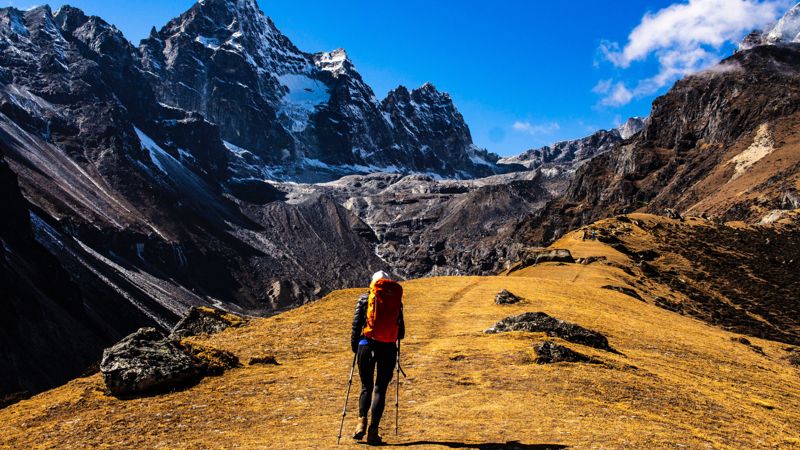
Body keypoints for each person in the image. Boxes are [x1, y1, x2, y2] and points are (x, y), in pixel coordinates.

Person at [350, 270, 405, 445]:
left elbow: (356, 326)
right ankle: (373, 432)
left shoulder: (364, 299)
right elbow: (401, 333)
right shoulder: (396, 302)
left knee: (366, 386)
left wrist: (355, 348)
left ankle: (361, 423)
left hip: (366, 346)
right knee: (380, 388)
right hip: (388, 349)